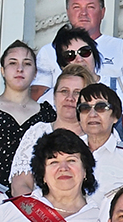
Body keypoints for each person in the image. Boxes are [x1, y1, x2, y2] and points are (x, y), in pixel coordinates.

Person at [34, 0, 123, 100]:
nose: (83, 13)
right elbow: (38, 95)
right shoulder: (48, 51)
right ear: (68, 12)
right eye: (76, 7)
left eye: (90, 7)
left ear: (102, 12)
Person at [0, 42, 52, 188]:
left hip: (32, 194)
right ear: (3, 70)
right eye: (12, 63)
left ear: (35, 72)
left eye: (27, 63)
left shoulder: (47, 114)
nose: (19, 69)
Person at [9, 64, 90, 197]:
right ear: (54, 96)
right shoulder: (38, 131)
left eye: (77, 93)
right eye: (64, 91)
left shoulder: (95, 137)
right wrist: (39, 212)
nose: (70, 98)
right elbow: (20, 184)